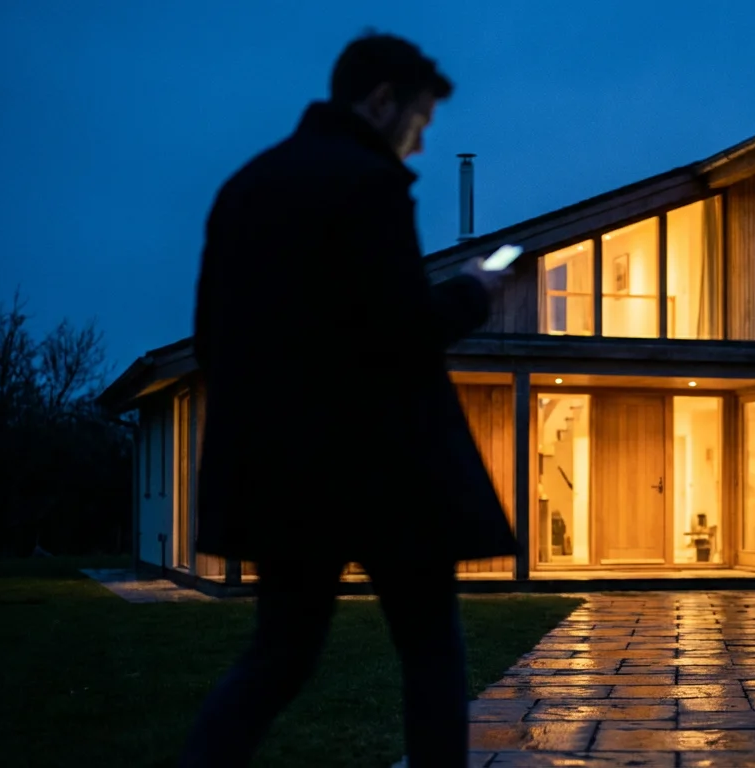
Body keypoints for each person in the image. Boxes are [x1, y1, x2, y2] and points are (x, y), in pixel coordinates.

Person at [179, 31, 516, 768]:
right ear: (382, 100)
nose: (419, 145)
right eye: (418, 122)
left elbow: (211, 340)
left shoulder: (245, 188)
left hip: (278, 474)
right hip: (381, 471)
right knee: (431, 652)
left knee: (280, 654)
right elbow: (401, 330)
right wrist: (473, 291)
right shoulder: (368, 184)